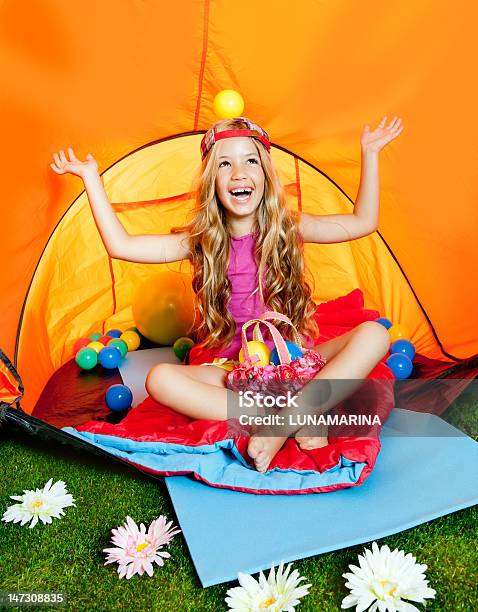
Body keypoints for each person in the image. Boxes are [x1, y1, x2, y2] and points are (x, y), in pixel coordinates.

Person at [50, 115, 404, 472]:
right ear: (212, 182)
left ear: (265, 174)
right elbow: (121, 246)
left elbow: (363, 222)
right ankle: (288, 416)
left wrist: (369, 152)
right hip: (233, 369)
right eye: (225, 163)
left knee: (374, 334)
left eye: (250, 160)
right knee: (159, 379)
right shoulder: (200, 241)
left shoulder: (291, 226)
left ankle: (284, 421)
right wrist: (91, 179)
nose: (239, 172)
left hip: (294, 360)